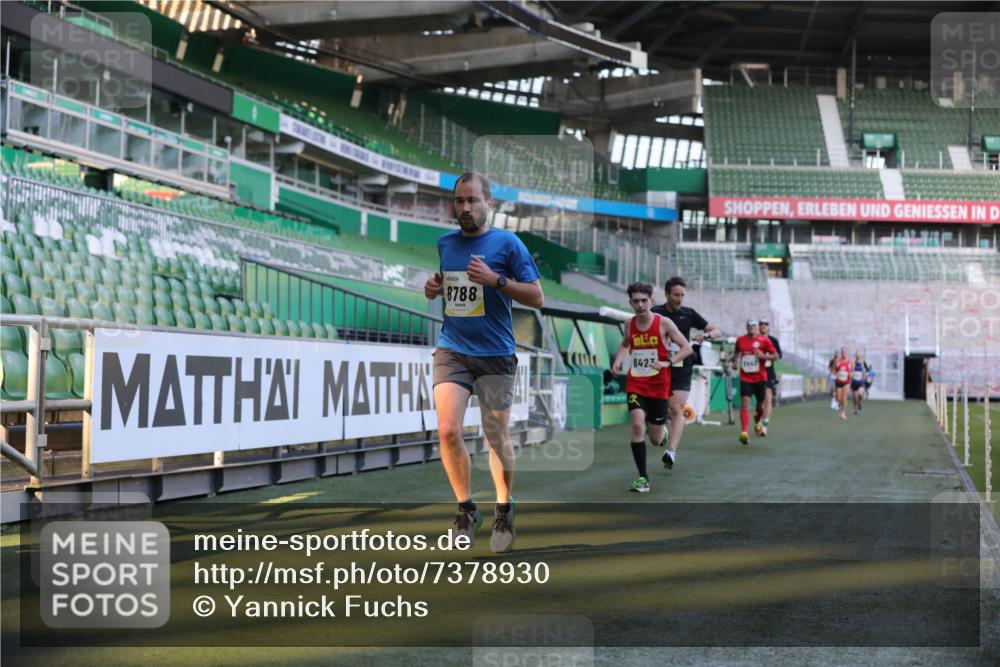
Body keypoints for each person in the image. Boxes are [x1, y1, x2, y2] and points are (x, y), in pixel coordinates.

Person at [424, 172, 543, 553]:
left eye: (472, 201)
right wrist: (435, 287)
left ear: (488, 203)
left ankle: (504, 508)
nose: (465, 208)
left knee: (495, 438)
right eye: (459, 201)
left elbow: (537, 297)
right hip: (453, 347)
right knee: (446, 430)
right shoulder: (445, 243)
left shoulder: (509, 243)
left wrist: (496, 281)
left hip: (495, 354)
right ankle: (465, 509)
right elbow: (451, 286)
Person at [612, 282, 692, 492]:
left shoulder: (664, 323)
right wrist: (618, 360)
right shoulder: (630, 323)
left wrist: (669, 361)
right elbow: (625, 343)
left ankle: (662, 433)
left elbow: (687, 347)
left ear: (652, 301)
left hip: (659, 384)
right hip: (636, 382)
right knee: (638, 424)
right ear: (630, 303)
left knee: (656, 439)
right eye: (636, 301)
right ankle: (643, 478)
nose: (640, 305)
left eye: (644, 301)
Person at [650, 276, 721, 468]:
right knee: (658, 414)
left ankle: (671, 452)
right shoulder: (655, 313)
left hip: (681, 365)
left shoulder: (689, 314)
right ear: (666, 294)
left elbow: (716, 331)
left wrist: (704, 335)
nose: (679, 299)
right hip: (657, 365)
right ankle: (662, 432)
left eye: (682, 295)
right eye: (675, 295)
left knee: (676, 409)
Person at [732, 319, 778, 445]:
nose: (751, 327)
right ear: (746, 327)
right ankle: (744, 432)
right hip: (745, 377)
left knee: (760, 406)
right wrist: (735, 362)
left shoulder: (764, 340)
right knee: (745, 402)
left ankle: (758, 420)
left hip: (760, 378)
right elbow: (736, 353)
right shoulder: (740, 340)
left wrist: (763, 356)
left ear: (757, 327)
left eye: (754, 325)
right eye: (749, 325)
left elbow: (776, 356)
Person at [758, 318, 782, 435]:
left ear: (768, 327)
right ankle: (759, 419)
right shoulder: (754, 339)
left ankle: (765, 425)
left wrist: (765, 356)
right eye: (761, 324)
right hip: (755, 373)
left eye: (765, 324)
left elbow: (778, 356)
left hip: (768, 372)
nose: (763, 326)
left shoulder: (773, 340)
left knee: (768, 399)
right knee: (760, 402)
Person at [833, 347, 852, 420]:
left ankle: (843, 412)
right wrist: (836, 373)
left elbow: (853, 371)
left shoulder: (850, 362)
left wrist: (851, 374)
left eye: (845, 352)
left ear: (847, 353)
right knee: (838, 398)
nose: (844, 353)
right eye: (843, 352)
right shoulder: (837, 361)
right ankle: (841, 409)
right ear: (841, 353)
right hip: (838, 382)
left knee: (844, 397)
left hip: (847, 382)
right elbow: (834, 370)